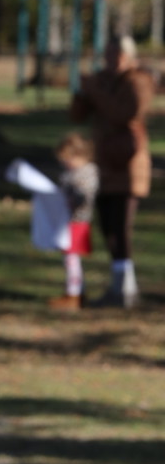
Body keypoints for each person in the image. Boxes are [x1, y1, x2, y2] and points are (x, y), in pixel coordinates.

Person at [71, 35, 153, 308]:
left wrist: (95, 90)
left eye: (116, 55)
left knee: (121, 226)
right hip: (103, 163)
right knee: (108, 228)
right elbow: (77, 116)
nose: (110, 60)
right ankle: (119, 286)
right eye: (107, 54)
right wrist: (82, 92)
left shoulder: (138, 81)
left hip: (128, 165)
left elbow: (124, 114)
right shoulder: (101, 82)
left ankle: (126, 289)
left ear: (129, 56)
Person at [49, 133, 98, 311]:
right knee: (69, 258)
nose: (65, 164)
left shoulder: (86, 173)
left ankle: (74, 293)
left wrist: (73, 199)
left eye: (67, 160)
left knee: (71, 258)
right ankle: (77, 291)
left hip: (77, 221)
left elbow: (84, 196)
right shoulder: (71, 174)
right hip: (68, 220)